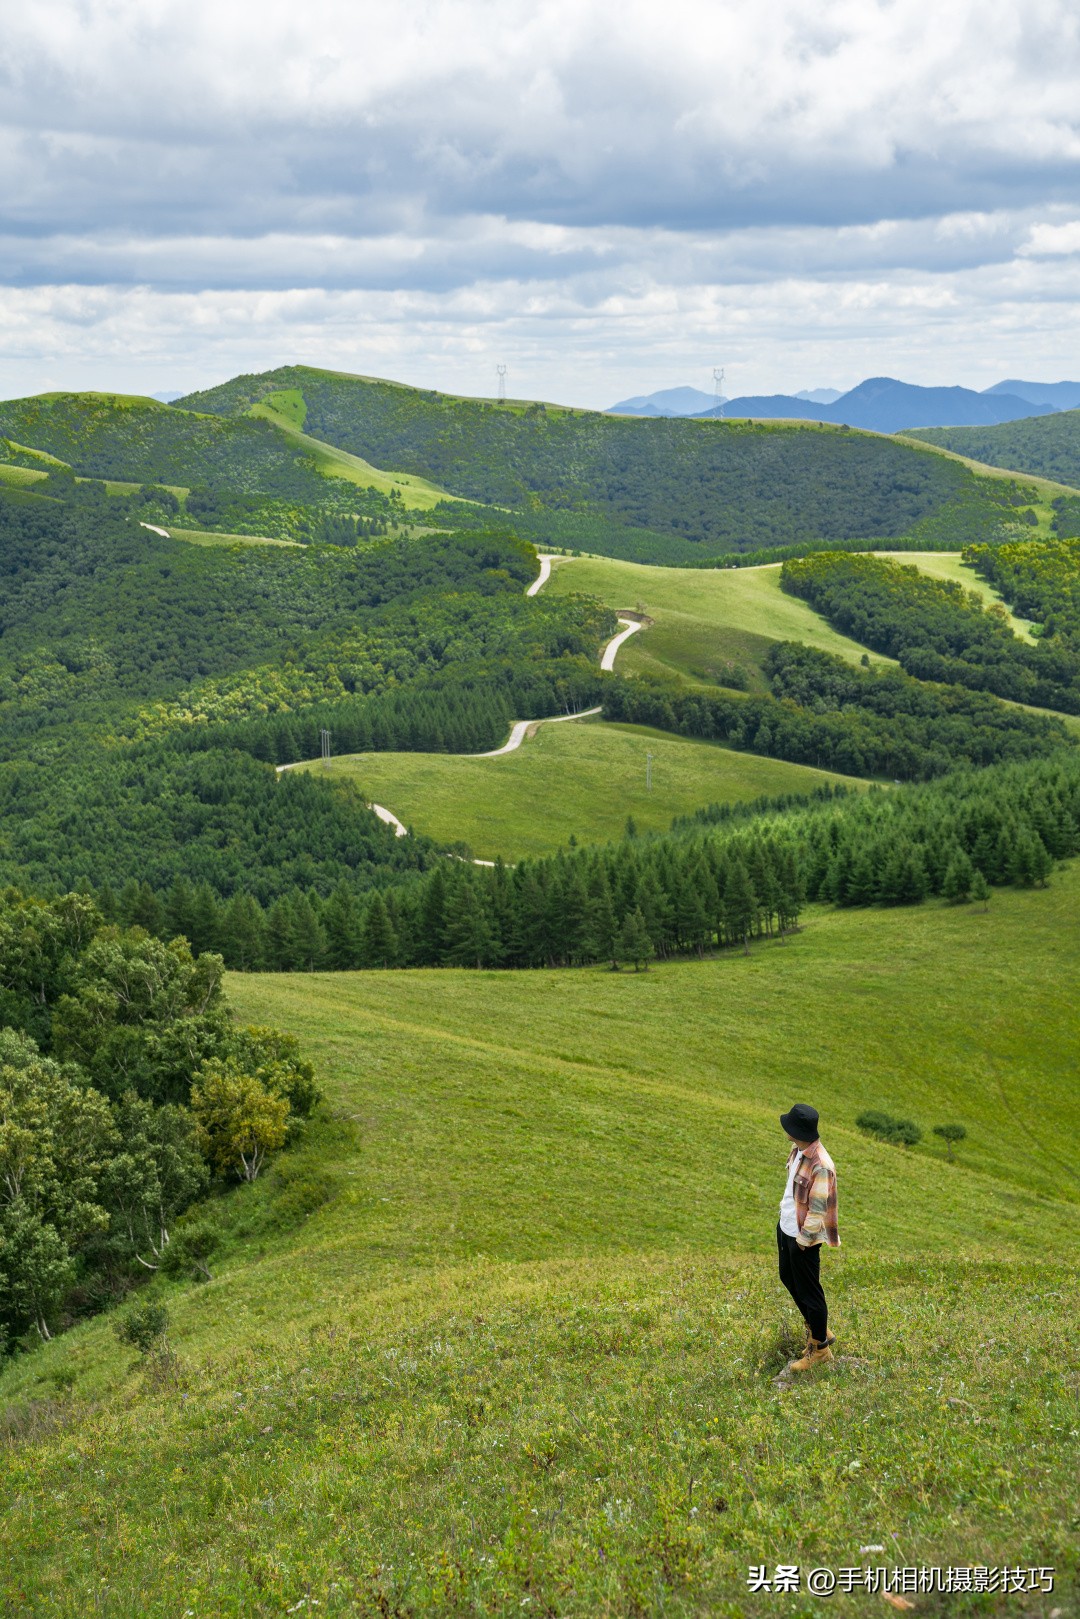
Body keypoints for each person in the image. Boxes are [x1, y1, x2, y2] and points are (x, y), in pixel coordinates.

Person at [776, 1102, 840, 1371]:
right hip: (786, 1226)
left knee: (810, 1292)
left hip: (803, 1237)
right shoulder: (798, 1150)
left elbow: (817, 1210)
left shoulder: (821, 1165)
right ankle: (820, 1331)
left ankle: (820, 1349)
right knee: (788, 1278)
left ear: (798, 1131)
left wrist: (803, 1241)